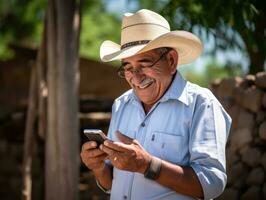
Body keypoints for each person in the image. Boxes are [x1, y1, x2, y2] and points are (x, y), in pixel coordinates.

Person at [80, 9, 231, 200]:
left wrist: (147, 165)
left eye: (144, 64)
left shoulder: (201, 104)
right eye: (128, 67)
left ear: (171, 60)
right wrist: (98, 167)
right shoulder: (121, 104)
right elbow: (113, 183)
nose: (135, 77)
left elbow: (212, 184)